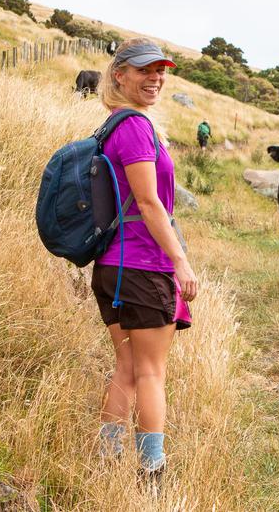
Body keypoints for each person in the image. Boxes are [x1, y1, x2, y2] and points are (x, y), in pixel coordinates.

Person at [93, 37, 197, 484]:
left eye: (161, 71)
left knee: (128, 368)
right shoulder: (134, 127)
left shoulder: (111, 125)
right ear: (120, 75)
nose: (155, 78)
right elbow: (150, 203)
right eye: (144, 70)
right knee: (151, 372)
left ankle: (107, 458)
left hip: (112, 268)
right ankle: (152, 473)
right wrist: (180, 261)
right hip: (142, 266)